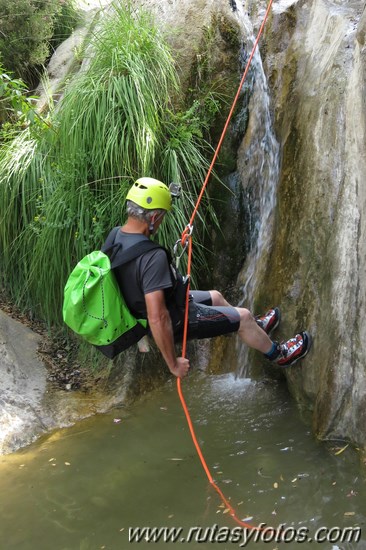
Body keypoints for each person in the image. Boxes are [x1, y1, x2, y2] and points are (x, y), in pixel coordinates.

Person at [105, 177, 312, 379]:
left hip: (164, 305)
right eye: (162, 216)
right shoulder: (152, 257)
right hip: (178, 320)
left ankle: (257, 329)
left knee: (216, 296)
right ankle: (280, 355)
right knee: (244, 318)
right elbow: (158, 317)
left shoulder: (115, 236)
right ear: (153, 218)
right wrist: (173, 364)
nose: (161, 221)